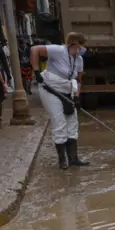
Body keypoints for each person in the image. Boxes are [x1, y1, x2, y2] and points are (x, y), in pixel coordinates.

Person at [32, 32, 90, 169]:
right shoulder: (58, 50)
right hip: (50, 90)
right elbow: (34, 50)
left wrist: (77, 97)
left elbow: (78, 81)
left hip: (68, 91)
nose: (83, 48)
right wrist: (36, 72)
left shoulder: (79, 60)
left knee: (72, 122)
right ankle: (62, 160)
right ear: (74, 43)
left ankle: (73, 158)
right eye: (82, 45)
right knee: (59, 122)